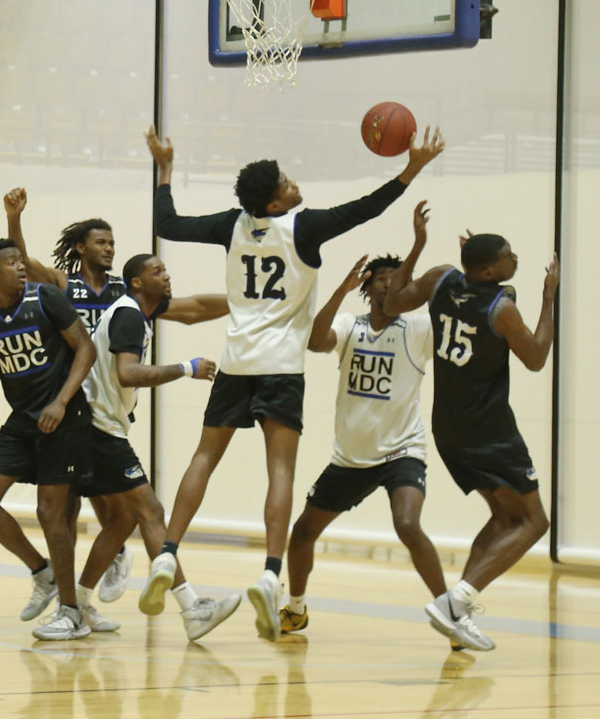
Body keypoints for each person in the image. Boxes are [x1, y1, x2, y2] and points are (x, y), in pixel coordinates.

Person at [143, 123, 445, 642]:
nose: (293, 183)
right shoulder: (304, 227)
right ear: (277, 202)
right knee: (279, 469)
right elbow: (367, 207)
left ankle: (167, 555)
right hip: (281, 364)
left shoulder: (232, 225)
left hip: (236, 359)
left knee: (201, 458)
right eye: (285, 181)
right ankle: (269, 573)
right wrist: (412, 169)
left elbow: (166, 223)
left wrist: (165, 169)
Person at [3, 187, 229, 603]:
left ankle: (93, 580)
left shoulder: (125, 295)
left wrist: (244, 304)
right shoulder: (63, 283)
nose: (108, 248)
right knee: (70, 504)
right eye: (100, 242)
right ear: (80, 247)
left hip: (103, 405)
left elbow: (192, 307)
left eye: (112, 243)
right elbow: (26, 268)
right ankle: (81, 588)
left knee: (110, 502)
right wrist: (14, 219)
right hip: (69, 400)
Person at [384, 224, 559, 652]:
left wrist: (425, 251)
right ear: (486, 271)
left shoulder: (442, 277)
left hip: (448, 427)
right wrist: (549, 298)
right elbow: (535, 357)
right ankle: (455, 601)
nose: (514, 259)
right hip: (490, 431)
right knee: (535, 522)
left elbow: (391, 302)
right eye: (507, 256)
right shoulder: (502, 308)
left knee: (503, 519)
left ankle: (456, 614)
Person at [280, 202, 448, 634]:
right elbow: (316, 341)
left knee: (407, 524)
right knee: (301, 533)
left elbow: (433, 296)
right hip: (350, 458)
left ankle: (451, 610)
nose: (391, 283)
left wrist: (419, 245)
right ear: (368, 286)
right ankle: (295, 606)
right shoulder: (350, 326)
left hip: (401, 450)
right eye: (382, 277)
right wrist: (339, 287)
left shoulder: (418, 329)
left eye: (399, 279)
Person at [74, 252, 241, 640]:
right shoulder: (130, 314)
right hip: (98, 426)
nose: (166, 276)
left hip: (97, 424)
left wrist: (245, 302)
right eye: (157, 271)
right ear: (136, 282)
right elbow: (128, 373)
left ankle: (77, 605)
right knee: (150, 510)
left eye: (166, 269)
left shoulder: (138, 311)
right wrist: (187, 368)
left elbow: (196, 307)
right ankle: (192, 607)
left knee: (122, 520)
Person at [0, 238, 97, 640]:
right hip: (22, 420)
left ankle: (72, 612)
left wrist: (61, 401)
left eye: (21, 261)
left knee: (51, 512)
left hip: (64, 416)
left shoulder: (45, 299)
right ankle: (43, 573)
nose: (20, 267)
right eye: (11, 263)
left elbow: (86, 349)